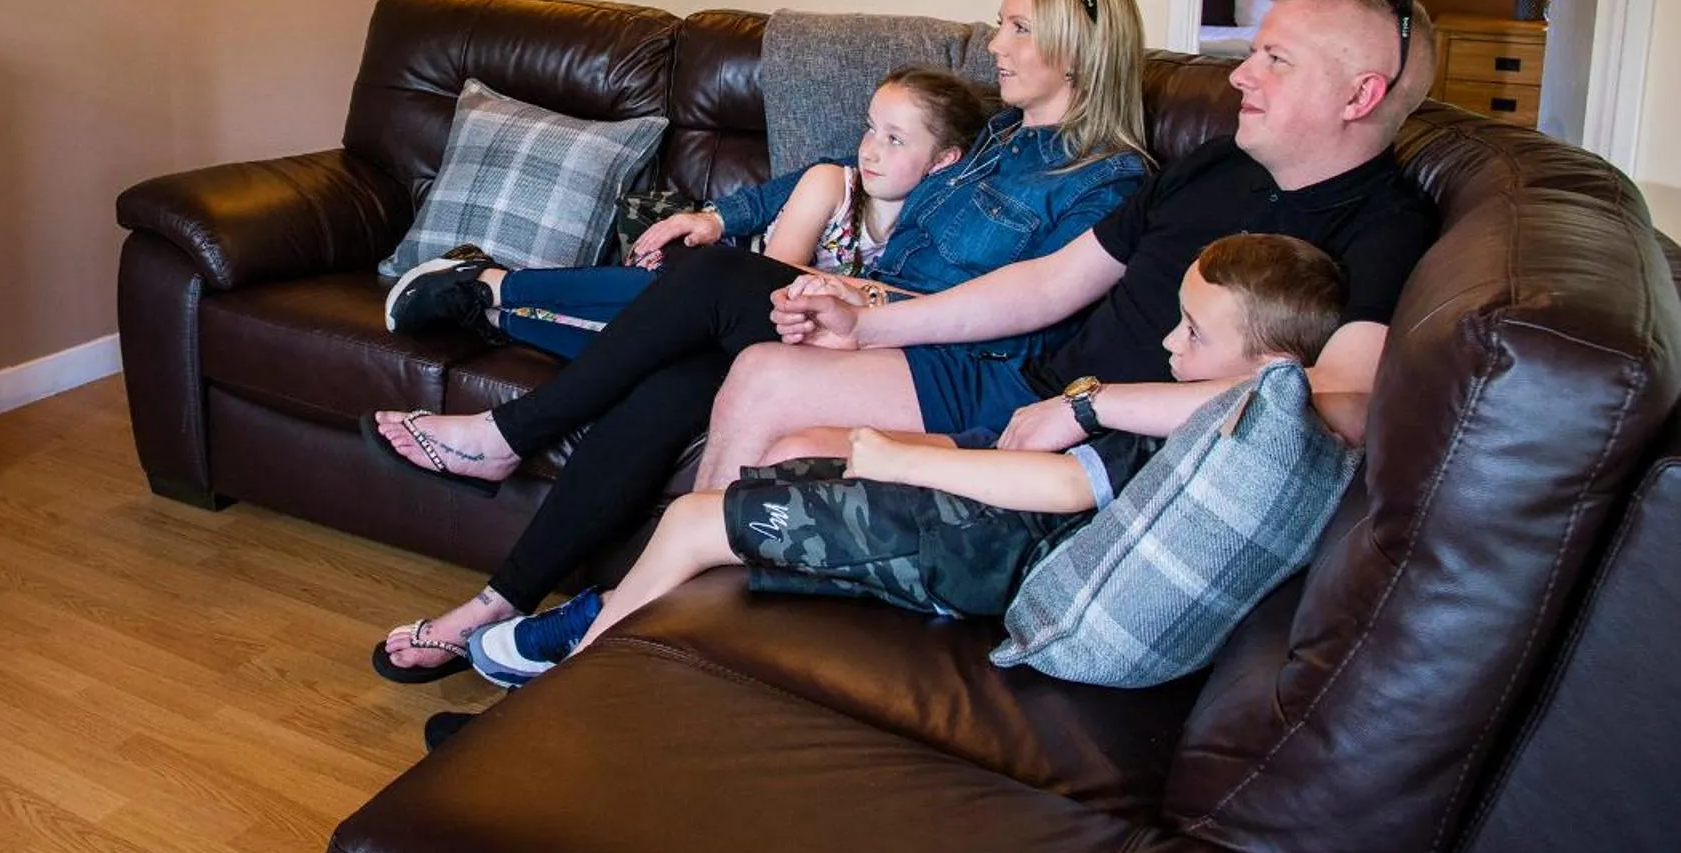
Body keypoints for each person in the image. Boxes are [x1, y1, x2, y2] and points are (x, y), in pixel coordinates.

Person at [368, 0, 1152, 684]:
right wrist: (724, 216)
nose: (994, 45)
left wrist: (861, 309)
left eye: (1018, 29)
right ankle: (508, 597)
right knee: (675, 378)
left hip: (955, 366)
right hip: (866, 315)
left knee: (711, 284)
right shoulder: (993, 140)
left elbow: (1021, 317)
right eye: (1000, 22)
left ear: (1078, 51)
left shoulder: (1109, 181)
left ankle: (516, 442)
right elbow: (839, 179)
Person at [476, 233, 1347, 684]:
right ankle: (646, 642)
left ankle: (581, 667)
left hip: (977, 547)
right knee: (764, 457)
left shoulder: (1176, 431)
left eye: (1191, 332)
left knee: (696, 518)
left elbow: (1050, 483)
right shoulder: (1205, 412)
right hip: (977, 530)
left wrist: (895, 458)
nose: (1164, 340)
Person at [693, 0, 1439, 494]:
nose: (1240, 77)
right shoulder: (1215, 165)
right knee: (766, 376)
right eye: (1251, 54)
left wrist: (1094, 407)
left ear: (1361, 94)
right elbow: (1050, 282)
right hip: (1029, 387)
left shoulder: (1389, 226)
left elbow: (1345, 401)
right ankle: (648, 622)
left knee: (793, 453)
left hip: (1091, 446)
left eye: (1274, 60)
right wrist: (867, 326)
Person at [384, 67, 991, 359]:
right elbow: (766, 287)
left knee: (651, 355)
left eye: (894, 139)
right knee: (665, 314)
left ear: (944, 160)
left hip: (773, 331)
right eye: (870, 128)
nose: (870, 148)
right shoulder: (831, 183)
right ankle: (490, 279)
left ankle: (493, 312)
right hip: (731, 289)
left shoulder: (937, 235)